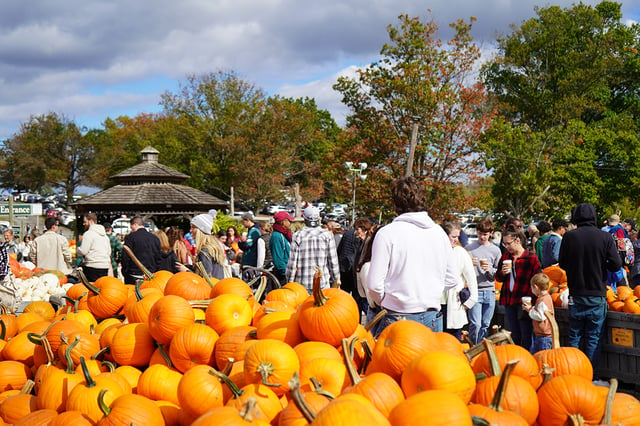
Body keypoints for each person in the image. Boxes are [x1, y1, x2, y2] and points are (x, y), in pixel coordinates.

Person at [366, 176, 459, 336]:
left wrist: (388, 300)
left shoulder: (387, 233)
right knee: (428, 361)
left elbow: (374, 284)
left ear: (395, 203)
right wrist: (429, 291)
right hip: (432, 317)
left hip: (396, 315)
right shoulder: (439, 233)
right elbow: (452, 278)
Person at [559, 203, 622, 379]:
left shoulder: (569, 237)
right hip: (596, 294)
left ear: (576, 217)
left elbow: (562, 263)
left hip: (576, 293)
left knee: (574, 336)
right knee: (593, 338)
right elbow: (616, 264)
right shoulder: (605, 237)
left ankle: (572, 374)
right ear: (594, 216)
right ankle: (590, 376)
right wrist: (601, 265)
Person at [495, 228, 541, 350]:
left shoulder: (531, 258)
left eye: (508, 243)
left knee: (525, 333)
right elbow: (498, 278)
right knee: (513, 333)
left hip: (524, 300)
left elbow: (537, 279)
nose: (506, 246)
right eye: (504, 244)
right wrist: (503, 273)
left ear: (518, 240)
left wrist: (530, 298)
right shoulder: (505, 257)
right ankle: (517, 357)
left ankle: (527, 358)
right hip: (509, 299)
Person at [286, 206, 340, 292]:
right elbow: (333, 262)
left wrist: (289, 283)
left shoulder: (298, 235)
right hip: (322, 283)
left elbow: (292, 264)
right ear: (319, 218)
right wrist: (336, 279)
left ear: (304, 219)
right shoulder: (327, 235)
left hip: (302, 285)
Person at [466, 217, 502, 344]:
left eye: (485, 234)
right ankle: (473, 347)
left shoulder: (495, 250)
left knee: (485, 324)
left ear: (491, 233)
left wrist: (490, 270)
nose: (482, 237)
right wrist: (469, 264)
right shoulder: (469, 248)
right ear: (476, 231)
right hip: (474, 290)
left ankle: (481, 348)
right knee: (475, 323)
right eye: (480, 234)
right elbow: (461, 269)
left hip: (490, 290)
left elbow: (499, 272)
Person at [441, 221, 477, 340]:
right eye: (453, 236)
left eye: (457, 237)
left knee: (454, 336)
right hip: (437, 302)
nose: (455, 240)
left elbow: (471, 277)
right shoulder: (437, 252)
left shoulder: (461, 253)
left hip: (454, 302)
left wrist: (472, 299)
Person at [177, 210, 229, 279]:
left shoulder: (204, 251)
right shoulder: (213, 247)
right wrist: (191, 267)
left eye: (193, 227)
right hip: (217, 286)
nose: (190, 230)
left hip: (209, 288)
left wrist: (186, 271)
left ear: (201, 230)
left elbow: (206, 277)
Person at [121, 216, 162, 284]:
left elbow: (125, 256)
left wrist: (125, 271)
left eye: (131, 227)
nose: (131, 229)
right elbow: (158, 257)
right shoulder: (155, 238)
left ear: (135, 224)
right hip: (151, 274)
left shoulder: (130, 237)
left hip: (134, 274)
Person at [522, 272, 554, 353]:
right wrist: (531, 308)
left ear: (536, 287)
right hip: (543, 335)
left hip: (544, 336)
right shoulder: (547, 297)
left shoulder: (542, 300)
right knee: (534, 355)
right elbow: (542, 311)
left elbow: (540, 316)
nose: (531, 290)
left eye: (532, 288)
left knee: (543, 356)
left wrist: (529, 310)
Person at [76, 213, 111, 282]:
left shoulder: (88, 234)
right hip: (104, 266)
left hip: (92, 266)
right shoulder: (105, 236)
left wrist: (77, 250)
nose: (84, 224)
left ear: (90, 221)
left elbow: (83, 251)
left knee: (90, 288)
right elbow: (109, 252)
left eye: (85, 222)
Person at [270, 211, 294, 284]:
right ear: (283, 222)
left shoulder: (284, 235)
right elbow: (278, 258)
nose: (290, 223)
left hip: (288, 271)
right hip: (282, 275)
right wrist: (285, 272)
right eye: (289, 221)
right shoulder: (276, 236)